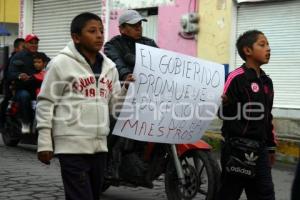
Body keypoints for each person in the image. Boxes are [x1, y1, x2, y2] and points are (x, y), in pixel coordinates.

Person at [36, 12, 134, 200]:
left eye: (101, 31)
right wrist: (44, 142)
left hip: (99, 148)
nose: (99, 35)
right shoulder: (61, 64)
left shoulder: (110, 67)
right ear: (76, 37)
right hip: (71, 148)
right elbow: (46, 102)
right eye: (92, 31)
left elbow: (114, 106)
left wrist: (126, 90)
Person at [217, 30, 276, 200]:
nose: (268, 49)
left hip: (261, 150)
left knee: (265, 194)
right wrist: (226, 104)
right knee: (228, 193)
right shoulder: (235, 78)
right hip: (237, 148)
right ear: (247, 51)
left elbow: (267, 116)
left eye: (268, 45)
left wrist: (270, 146)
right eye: (262, 44)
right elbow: (221, 112)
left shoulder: (267, 81)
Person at [103, 9, 158, 180]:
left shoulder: (149, 43)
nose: (138, 28)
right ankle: (108, 162)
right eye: (134, 25)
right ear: (122, 28)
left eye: (140, 25)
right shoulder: (113, 45)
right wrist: (126, 74)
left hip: (148, 94)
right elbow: (116, 62)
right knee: (115, 121)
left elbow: (162, 62)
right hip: (123, 93)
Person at [7, 34, 49, 133]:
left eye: (36, 43)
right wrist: (20, 75)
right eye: (31, 43)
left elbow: (53, 64)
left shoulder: (41, 56)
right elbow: (10, 73)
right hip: (22, 88)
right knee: (25, 96)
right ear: (26, 44)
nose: (34, 45)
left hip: (38, 87)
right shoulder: (18, 56)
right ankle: (26, 122)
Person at [0, 38, 24, 129]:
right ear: (16, 48)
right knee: (7, 100)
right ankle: (2, 123)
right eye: (23, 47)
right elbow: (7, 74)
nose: (25, 49)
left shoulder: (27, 57)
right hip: (10, 85)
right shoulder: (12, 59)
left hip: (23, 85)